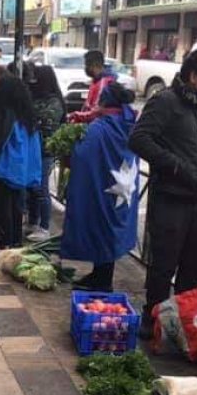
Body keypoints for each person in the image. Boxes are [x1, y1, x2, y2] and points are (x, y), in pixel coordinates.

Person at [129, 48, 197, 338]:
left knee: (194, 269)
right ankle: (153, 320)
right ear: (194, 76)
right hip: (172, 198)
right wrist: (174, 165)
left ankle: (183, 325)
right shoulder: (166, 101)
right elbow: (139, 139)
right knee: (163, 264)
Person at [60, 82, 140, 292]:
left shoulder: (99, 128)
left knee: (100, 227)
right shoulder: (130, 125)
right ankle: (99, 275)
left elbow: (81, 156)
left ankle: (102, 282)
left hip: (101, 188)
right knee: (109, 230)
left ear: (103, 101)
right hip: (122, 189)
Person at [0, 71, 40, 252]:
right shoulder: (27, 116)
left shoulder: (4, 113)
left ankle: (5, 241)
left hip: (4, 167)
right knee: (17, 206)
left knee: (3, 205)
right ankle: (15, 240)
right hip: (21, 169)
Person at [27, 64, 65, 241]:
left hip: (45, 151)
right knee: (32, 187)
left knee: (41, 189)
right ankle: (33, 221)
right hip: (33, 149)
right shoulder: (36, 97)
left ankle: (44, 227)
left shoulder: (54, 102)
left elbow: (44, 120)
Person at [68, 49, 116, 123]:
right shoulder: (96, 80)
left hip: (99, 125)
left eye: (87, 65)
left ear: (95, 65)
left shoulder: (104, 83)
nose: (85, 68)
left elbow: (96, 112)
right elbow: (88, 104)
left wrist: (77, 115)